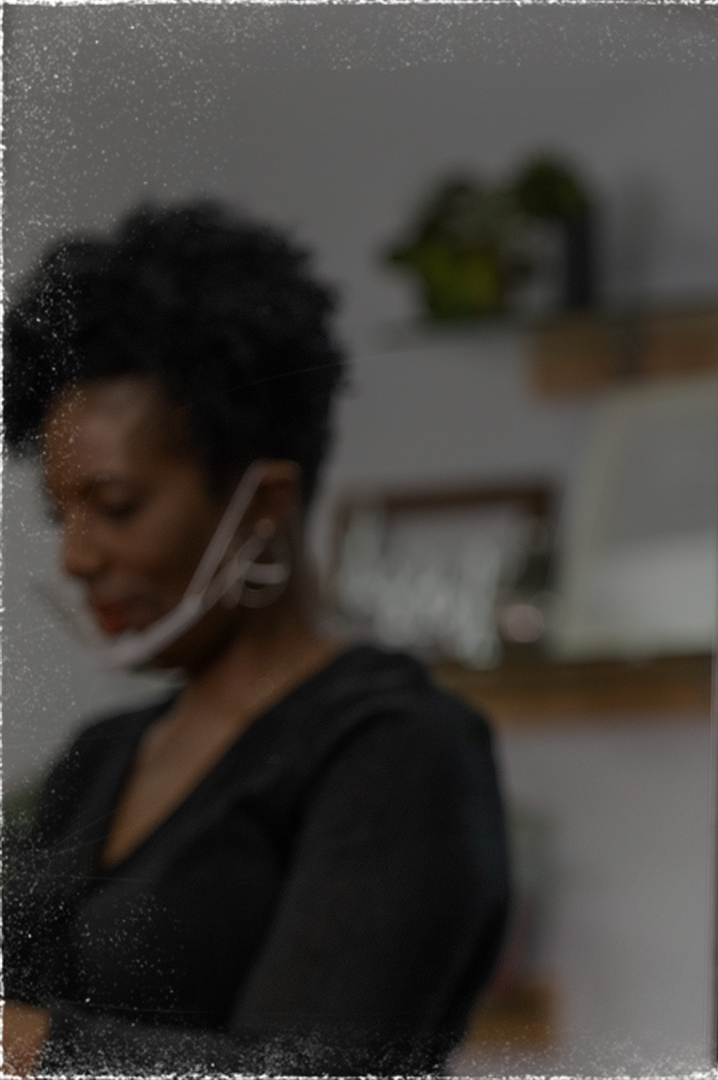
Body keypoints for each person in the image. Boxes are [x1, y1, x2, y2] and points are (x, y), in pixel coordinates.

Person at [0, 202, 511, 1074]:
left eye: (115, 506)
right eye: (62, 514)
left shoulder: (399, 751)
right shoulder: (100, 758)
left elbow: (320, 1068)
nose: (77, 555)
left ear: (265, 505)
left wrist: (34, 1049)